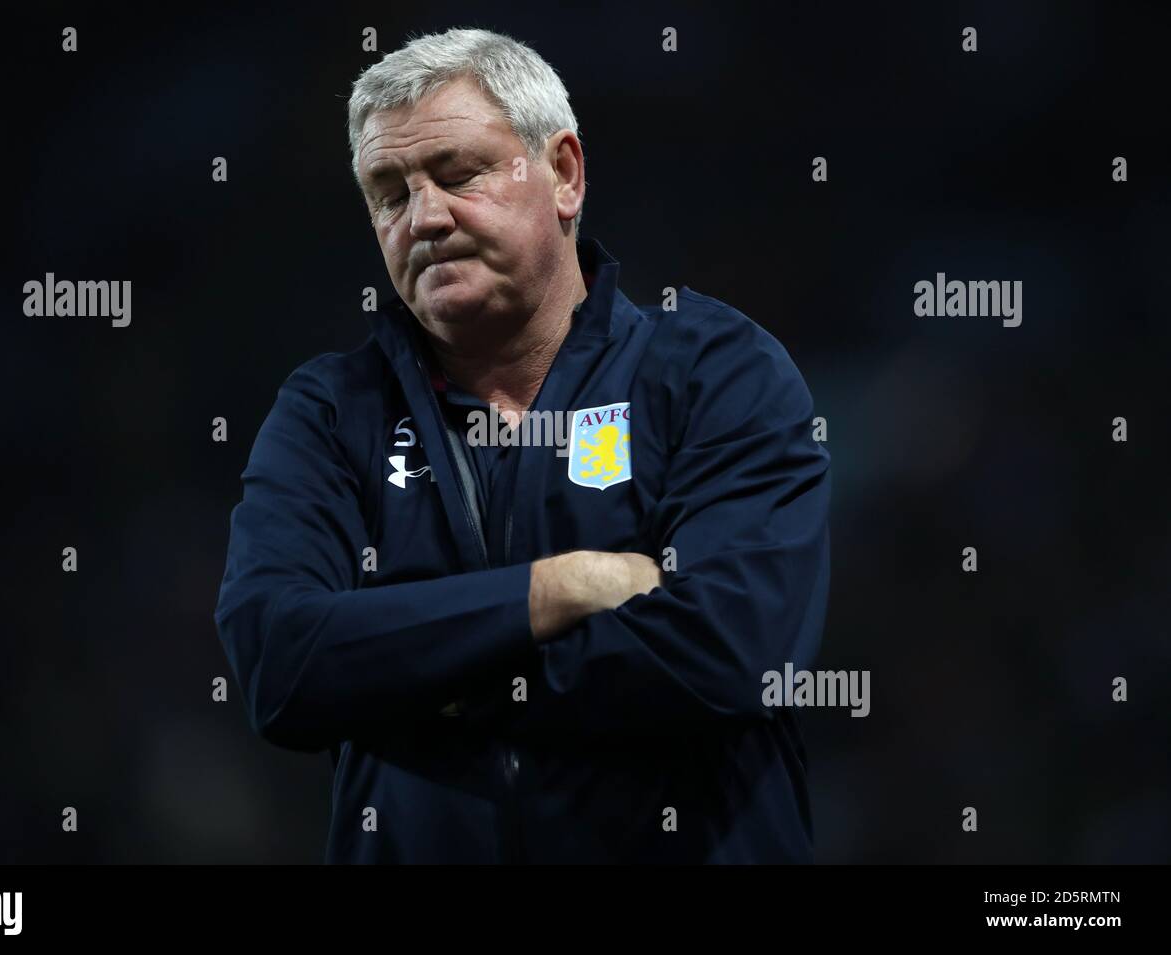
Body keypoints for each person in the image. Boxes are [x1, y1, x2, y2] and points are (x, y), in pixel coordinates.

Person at [214, 27, 831, 863]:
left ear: (564, 173)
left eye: (458, 173)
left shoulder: (714, 373)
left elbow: (727, 654)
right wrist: (557, 588)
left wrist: (399, 664)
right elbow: (281, 667)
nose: (424, 218)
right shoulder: (329, 413)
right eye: (389, 193)